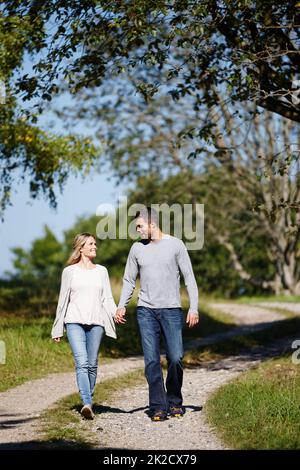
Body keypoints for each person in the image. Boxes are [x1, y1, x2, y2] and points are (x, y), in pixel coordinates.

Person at [115, 207, 199, 422]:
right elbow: (128, 280)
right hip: (145, 311)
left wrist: (194, 307)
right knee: (151, 361)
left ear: (152, 224)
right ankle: (158, 406)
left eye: (140, 226)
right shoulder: (136, 249)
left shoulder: (176, 245)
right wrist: (121, 305)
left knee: (176, 358)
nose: (138, 231)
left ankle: (174, 402)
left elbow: (189, 278)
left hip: (171, 310)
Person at [51, 232, 117, 419]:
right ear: (80, 248)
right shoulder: (69, 272)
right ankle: (87, 403)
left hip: (96, 322)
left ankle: (88, 398)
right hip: (74, 321)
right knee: (82, 362)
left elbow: (107, 299)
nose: (95, 247)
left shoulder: (101, 271)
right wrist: (57, 327)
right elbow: (62, 301)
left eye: (95, 244)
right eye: (90, 244)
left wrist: (116, 313)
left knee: (92, 363)